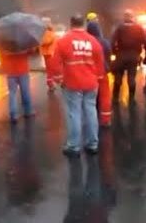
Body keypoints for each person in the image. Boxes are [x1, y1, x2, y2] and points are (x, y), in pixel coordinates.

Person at [52, 14, 105, 158]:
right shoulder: (93, 41)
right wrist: (98, 78)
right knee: (91, 112)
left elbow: (55, 63)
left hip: (72, 83)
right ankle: (92, 144)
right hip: (91, 83)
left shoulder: (63, 41)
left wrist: (58, 79)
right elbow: (100, 62)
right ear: (84, 24)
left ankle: (74, 146)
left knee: (74, 114)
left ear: (71, 24)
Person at [110, 10, 146, 104]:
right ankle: (131, 98)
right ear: (132, 17)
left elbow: (112, 41)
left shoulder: (119, 28)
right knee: (131, 77)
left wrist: (115, 52)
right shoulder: (139, 28)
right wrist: (143, 53)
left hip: (121, 55)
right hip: (134, 56)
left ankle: (115, 97)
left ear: (124, 17)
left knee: (118, 77)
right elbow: (144, 41)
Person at [0, 48, 35, 124]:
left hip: (10, 72)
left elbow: (1, 56)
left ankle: (13, 114)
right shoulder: (23, 44)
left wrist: (5, 65)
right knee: (25, 92)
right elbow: (31, 52)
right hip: (23, 70)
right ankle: (27, 111)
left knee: (12, 94)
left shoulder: (6, 44)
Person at [86, 20, 112, 128]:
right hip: (102, 71)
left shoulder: (87, 42)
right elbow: (109, 54)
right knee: (105, 95)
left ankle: (90, 119)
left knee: (89, 97)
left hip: (89, 72)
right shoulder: (104, 42)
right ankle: (105, 119)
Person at [40, 17, 57, 92]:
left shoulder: (48, 31)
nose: (50, 23)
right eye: (49, 22)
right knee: (50, 69)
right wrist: (52, 36)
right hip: (48, 53)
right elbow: (46, 41)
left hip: (50, 52)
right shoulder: (45, 32)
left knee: (51, 69)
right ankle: (50, 83)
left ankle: (51, 83)